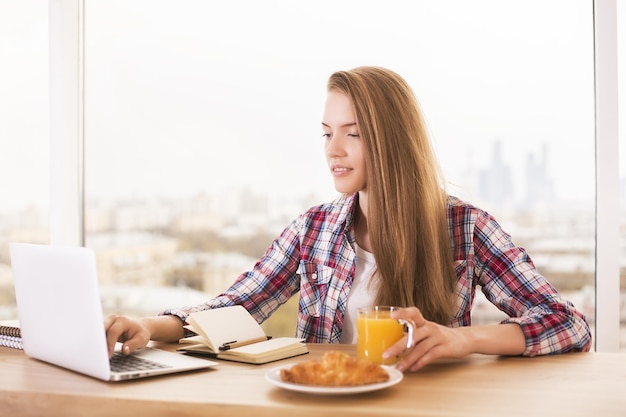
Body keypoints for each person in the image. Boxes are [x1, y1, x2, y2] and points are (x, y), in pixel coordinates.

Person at [105, 66, 592, 372]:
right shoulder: (312, 229)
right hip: (323, 404)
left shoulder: (466, 228)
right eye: (326, 133)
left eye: (352, 134)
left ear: (391, 140)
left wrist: (459, 341)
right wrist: (147, 326)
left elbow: (568, 325)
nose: (333, 150)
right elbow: (237, 307)